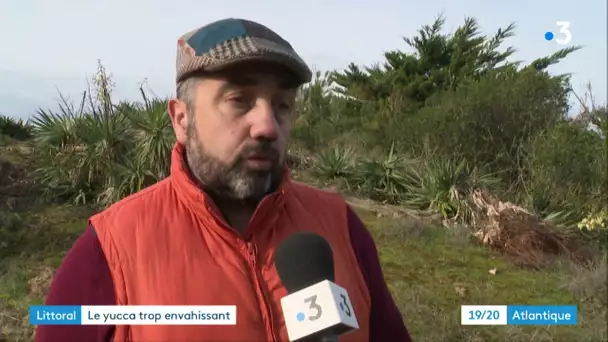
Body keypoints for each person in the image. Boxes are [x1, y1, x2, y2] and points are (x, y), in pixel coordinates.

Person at [35, 18, 412, 342]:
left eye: (282, 105)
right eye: (239, 100)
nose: (267, 126)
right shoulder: (107, 250)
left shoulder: (341, 226)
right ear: (182, 119)